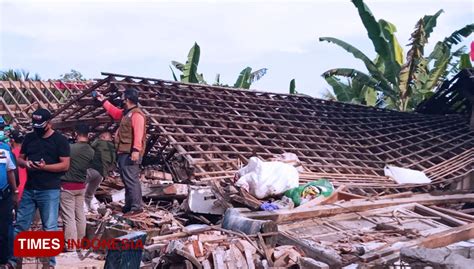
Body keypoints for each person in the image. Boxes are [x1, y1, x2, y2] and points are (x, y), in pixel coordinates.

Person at [9, 109, 70, 268]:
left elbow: (65, 164)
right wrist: (27, 164)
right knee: (21, 225)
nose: (37, 129)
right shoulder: (30, 137)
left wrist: (45, 167)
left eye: (40, 125)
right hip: (30, 188)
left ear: (49, 123)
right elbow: (20, 159)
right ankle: (13, 260)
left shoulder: (60, 141)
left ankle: (49, 263)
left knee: (49, 227)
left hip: (49, 190)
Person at [96, 88, 146, 216]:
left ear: (128, 99)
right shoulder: (126, 113)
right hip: (124, 151)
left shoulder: (136, 115)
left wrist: (136, 150)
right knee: (126, 179)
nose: (121, 100)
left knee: (131, 179)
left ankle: (136, 207)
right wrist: (103, 101)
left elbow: (139, 134)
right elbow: (115, 113)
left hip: (130, 152)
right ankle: (129, 205)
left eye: (123, 98)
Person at [60, 124, 94, 249]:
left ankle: (70, 245)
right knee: (80, 214)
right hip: (81, 186)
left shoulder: (69, 148)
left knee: (69, 216)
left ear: (76, 134)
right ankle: (79, 243)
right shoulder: (91, 151)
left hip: (67, 185)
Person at [84, 131, 116, 213]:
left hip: (93, 169)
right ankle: (91, 209)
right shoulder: (113, 147)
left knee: (79, 190)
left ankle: (83, 210)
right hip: (102, 174)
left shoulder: (98, 142)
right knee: (90, 194)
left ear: (103, 137)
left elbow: (89, 148)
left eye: (101, 137)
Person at [0, 136, 18, 268]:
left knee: (4, 228)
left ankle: (4, 260)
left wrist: (14, 192)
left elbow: (10, 172)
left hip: (4, 195)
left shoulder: (4, 151)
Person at [9, 131, 26, 200]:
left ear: (12, 141)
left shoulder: (10, 154)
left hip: (15, 189)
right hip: (28, 189)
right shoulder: (26, 153)